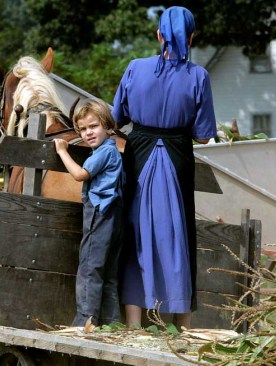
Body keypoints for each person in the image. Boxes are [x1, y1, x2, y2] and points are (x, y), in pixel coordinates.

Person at [111, 6, 217, 330]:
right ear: (192, 37)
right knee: (180, 236)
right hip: (178, 157)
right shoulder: (199, 76)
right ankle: (181, 325)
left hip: (139, 154)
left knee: (134, 234)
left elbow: (116, 118)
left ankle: (133, 324)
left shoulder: (134, 68)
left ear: (159, 36)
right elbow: (203, 133)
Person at [54, 97, 124, 327]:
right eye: (82, 129)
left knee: (89, 267)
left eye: (93, 126)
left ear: (108, 126)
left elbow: (80, 175)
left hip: (100, 213)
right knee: (109, 273)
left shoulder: (103, 153)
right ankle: (113, 323)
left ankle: (85, 320)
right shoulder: (112, 151)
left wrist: (63, 150)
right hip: (114, 214)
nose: (88, 133)